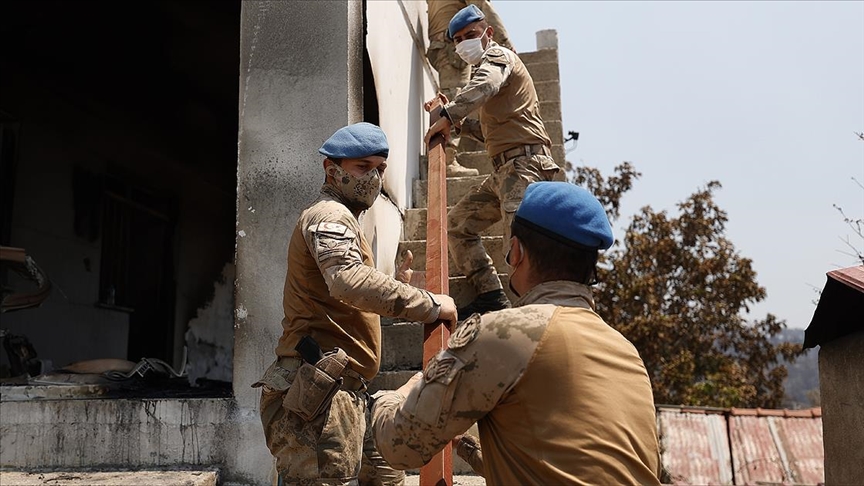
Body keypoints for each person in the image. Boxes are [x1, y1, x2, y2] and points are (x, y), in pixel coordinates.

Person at [371, 182, 662, 486]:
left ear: (516, 251)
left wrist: (391, 397)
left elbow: (400, 446)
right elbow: (564, 465)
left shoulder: (504, 332)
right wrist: (467, 447)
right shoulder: (627, 353)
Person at [253, 122, 458, 486]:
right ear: (331, 169)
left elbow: (344, 292)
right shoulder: (329, 216)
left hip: (344, 391)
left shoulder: (345, 219)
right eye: (362, 167)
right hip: (318, 395)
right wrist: (429, 304)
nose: (374, 178)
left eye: (380, 169)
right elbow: (347, 281)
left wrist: (393, 286)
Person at [424, 4, 564, 319]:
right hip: (504, 170)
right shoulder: (490, 74)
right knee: (458, 226)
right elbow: (488, 132)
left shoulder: (498, 58)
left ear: (488, 33)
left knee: (519, 246)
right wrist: (457, 121)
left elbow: (486, 85)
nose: (464, 44)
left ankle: (533, 316)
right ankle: (490, 294)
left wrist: (449, 114)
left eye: (470, 35)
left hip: (525, 165)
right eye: (458, 39)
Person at [425, 0, 514, 177]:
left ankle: (444, 157)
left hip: (440, 42)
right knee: (456, 94)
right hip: (452, 44)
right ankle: (448, 160)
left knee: (452, 95)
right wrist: (506, 44)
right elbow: (483, 8)